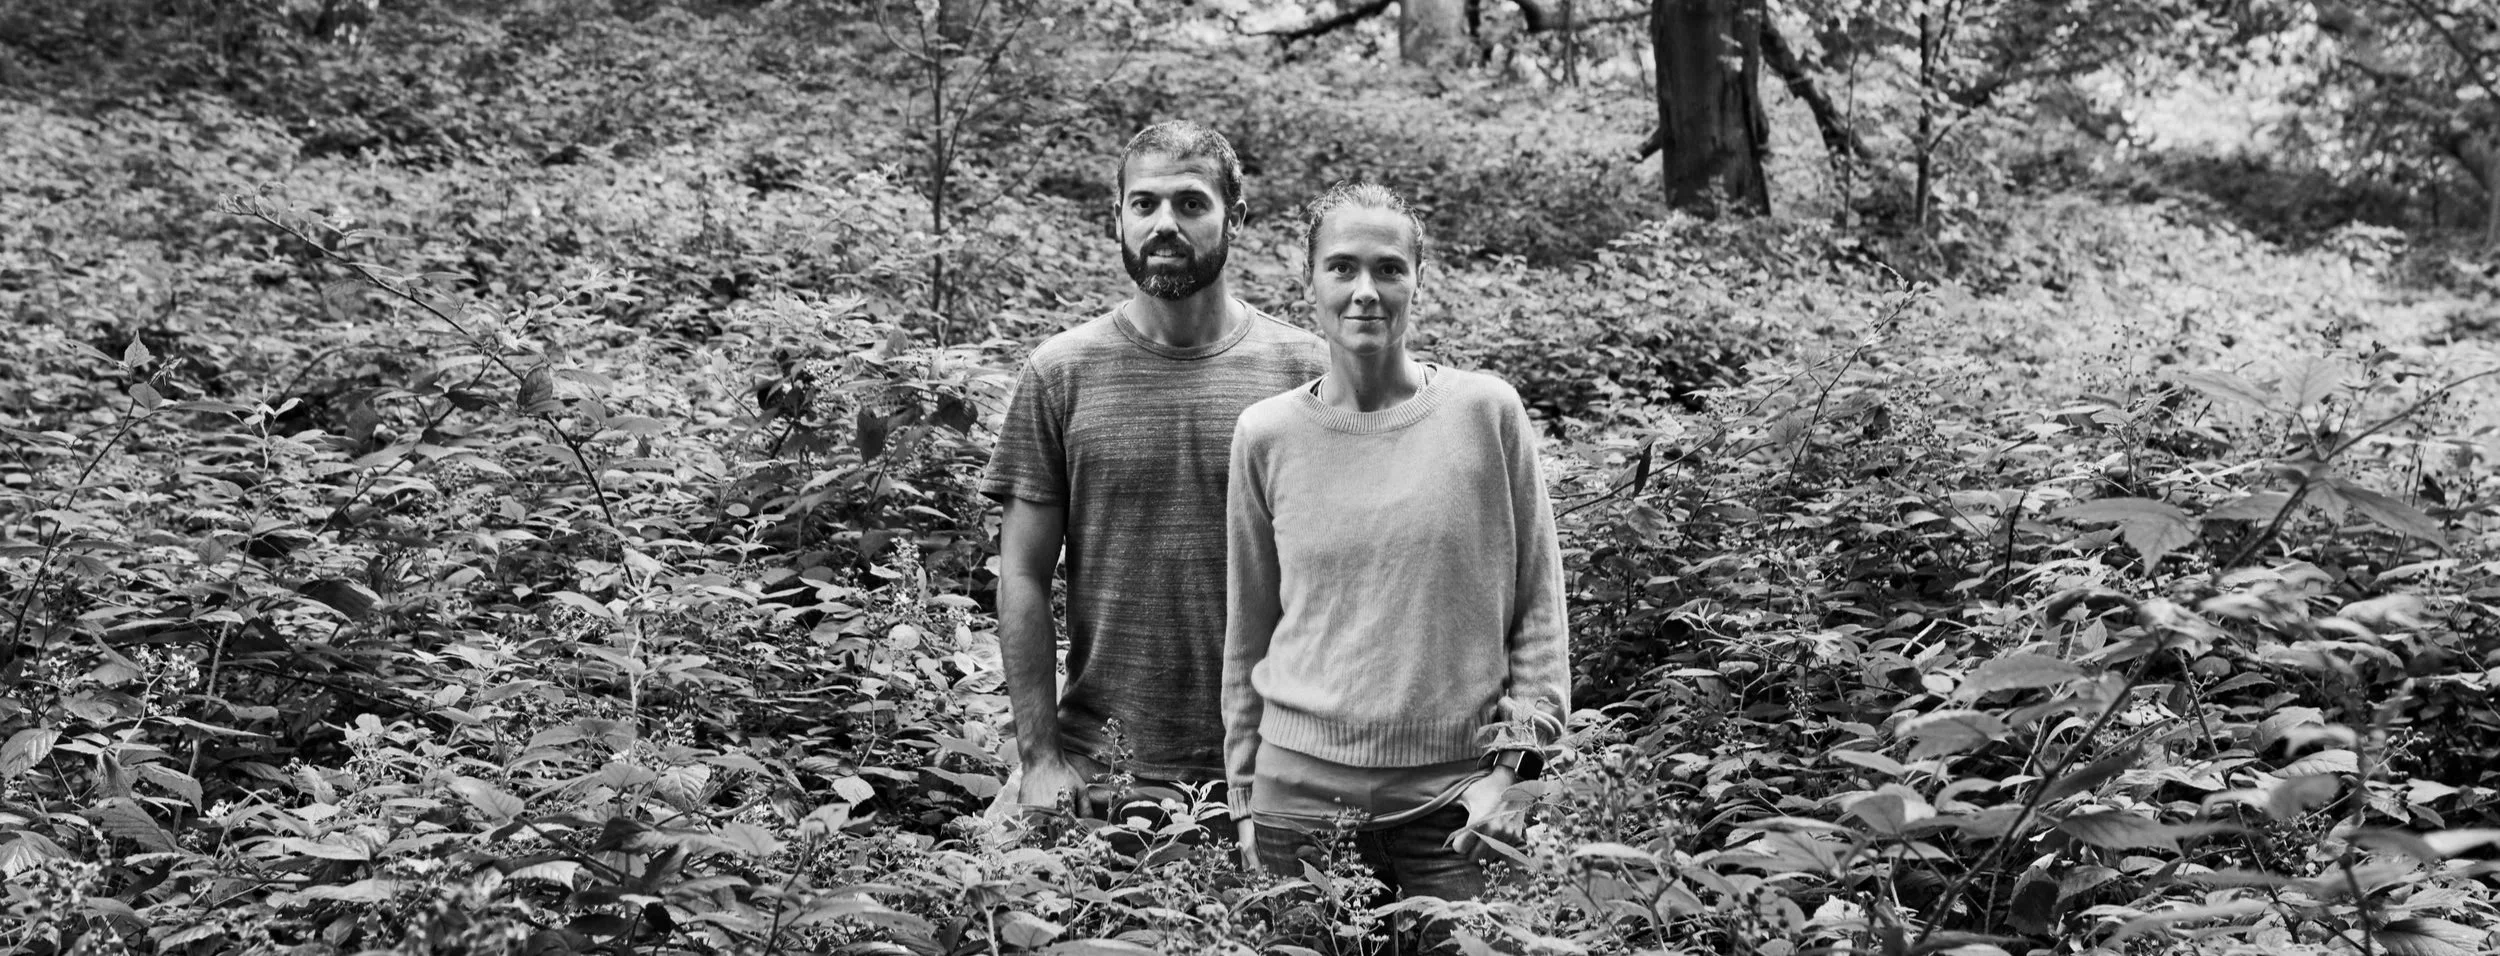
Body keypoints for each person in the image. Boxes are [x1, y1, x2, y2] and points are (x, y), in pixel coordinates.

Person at [1222, 182, 1568, 901]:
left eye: (1388, 268)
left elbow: (1538, 612)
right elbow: (1248, 634)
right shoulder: (1266, 435)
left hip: (1455, 808)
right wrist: (1244, 800)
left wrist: (1517, 775)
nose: (1365, 291)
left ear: (1419, 279)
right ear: (1308, 281)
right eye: (1342, 267)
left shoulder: (1485, 413)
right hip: (1297, 810)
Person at [982, 121, 1327, 822]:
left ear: (1237, 215)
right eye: (1144, 204)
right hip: (1099, 766)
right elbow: (1020, 573)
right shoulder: (1060, 374)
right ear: (1117, 217)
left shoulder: (1307, 373)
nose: (1165, 223)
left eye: (1191, 203)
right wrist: (1040, 759)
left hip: (1273, 769)